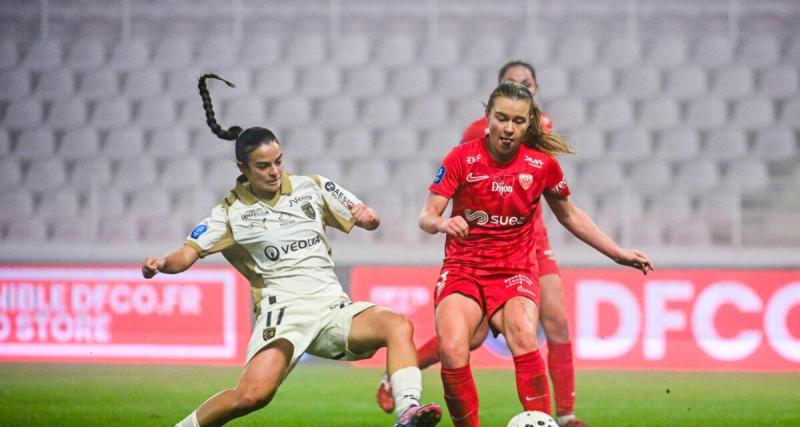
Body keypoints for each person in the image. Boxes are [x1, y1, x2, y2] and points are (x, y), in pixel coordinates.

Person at [143, 74, 442, 427]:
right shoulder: (230, 213)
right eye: (263, 166)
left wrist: (368, 216)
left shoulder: (311, 187)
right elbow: (185, 255)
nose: (274, 172)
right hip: (283, 313)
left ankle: (407, 412)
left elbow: (369, 219)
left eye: (279, 161)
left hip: (332, 308)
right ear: (242, 168)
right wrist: (161, 263)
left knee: (398, 325)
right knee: (251, 396)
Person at [420, 80, 653, 427]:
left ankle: (545, 420)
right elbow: (427, 216)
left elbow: (570, 215)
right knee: (453, 349)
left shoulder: (541, 165)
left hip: (513, 270)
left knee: (522, 334)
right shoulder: (461, 158)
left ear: (529, 122)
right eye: (501, 118)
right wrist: (442, 223)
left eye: (518, 121)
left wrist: (616, 253)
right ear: (487, 116)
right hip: (463, 268)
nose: (508, 128)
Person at [376, 60, 581, 427]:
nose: (522, 87)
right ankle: (402, 370)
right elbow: (460, 186)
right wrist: (446, 220)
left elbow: (563, 206)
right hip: (480, 246)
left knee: (555, 324)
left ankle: (564, 417)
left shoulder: (541, 131)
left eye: (528, 82)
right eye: (513, 82)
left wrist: (616, 252)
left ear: (535, 93)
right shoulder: (475, 137)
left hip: (529, 239)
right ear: (492, 105)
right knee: (468, 338)